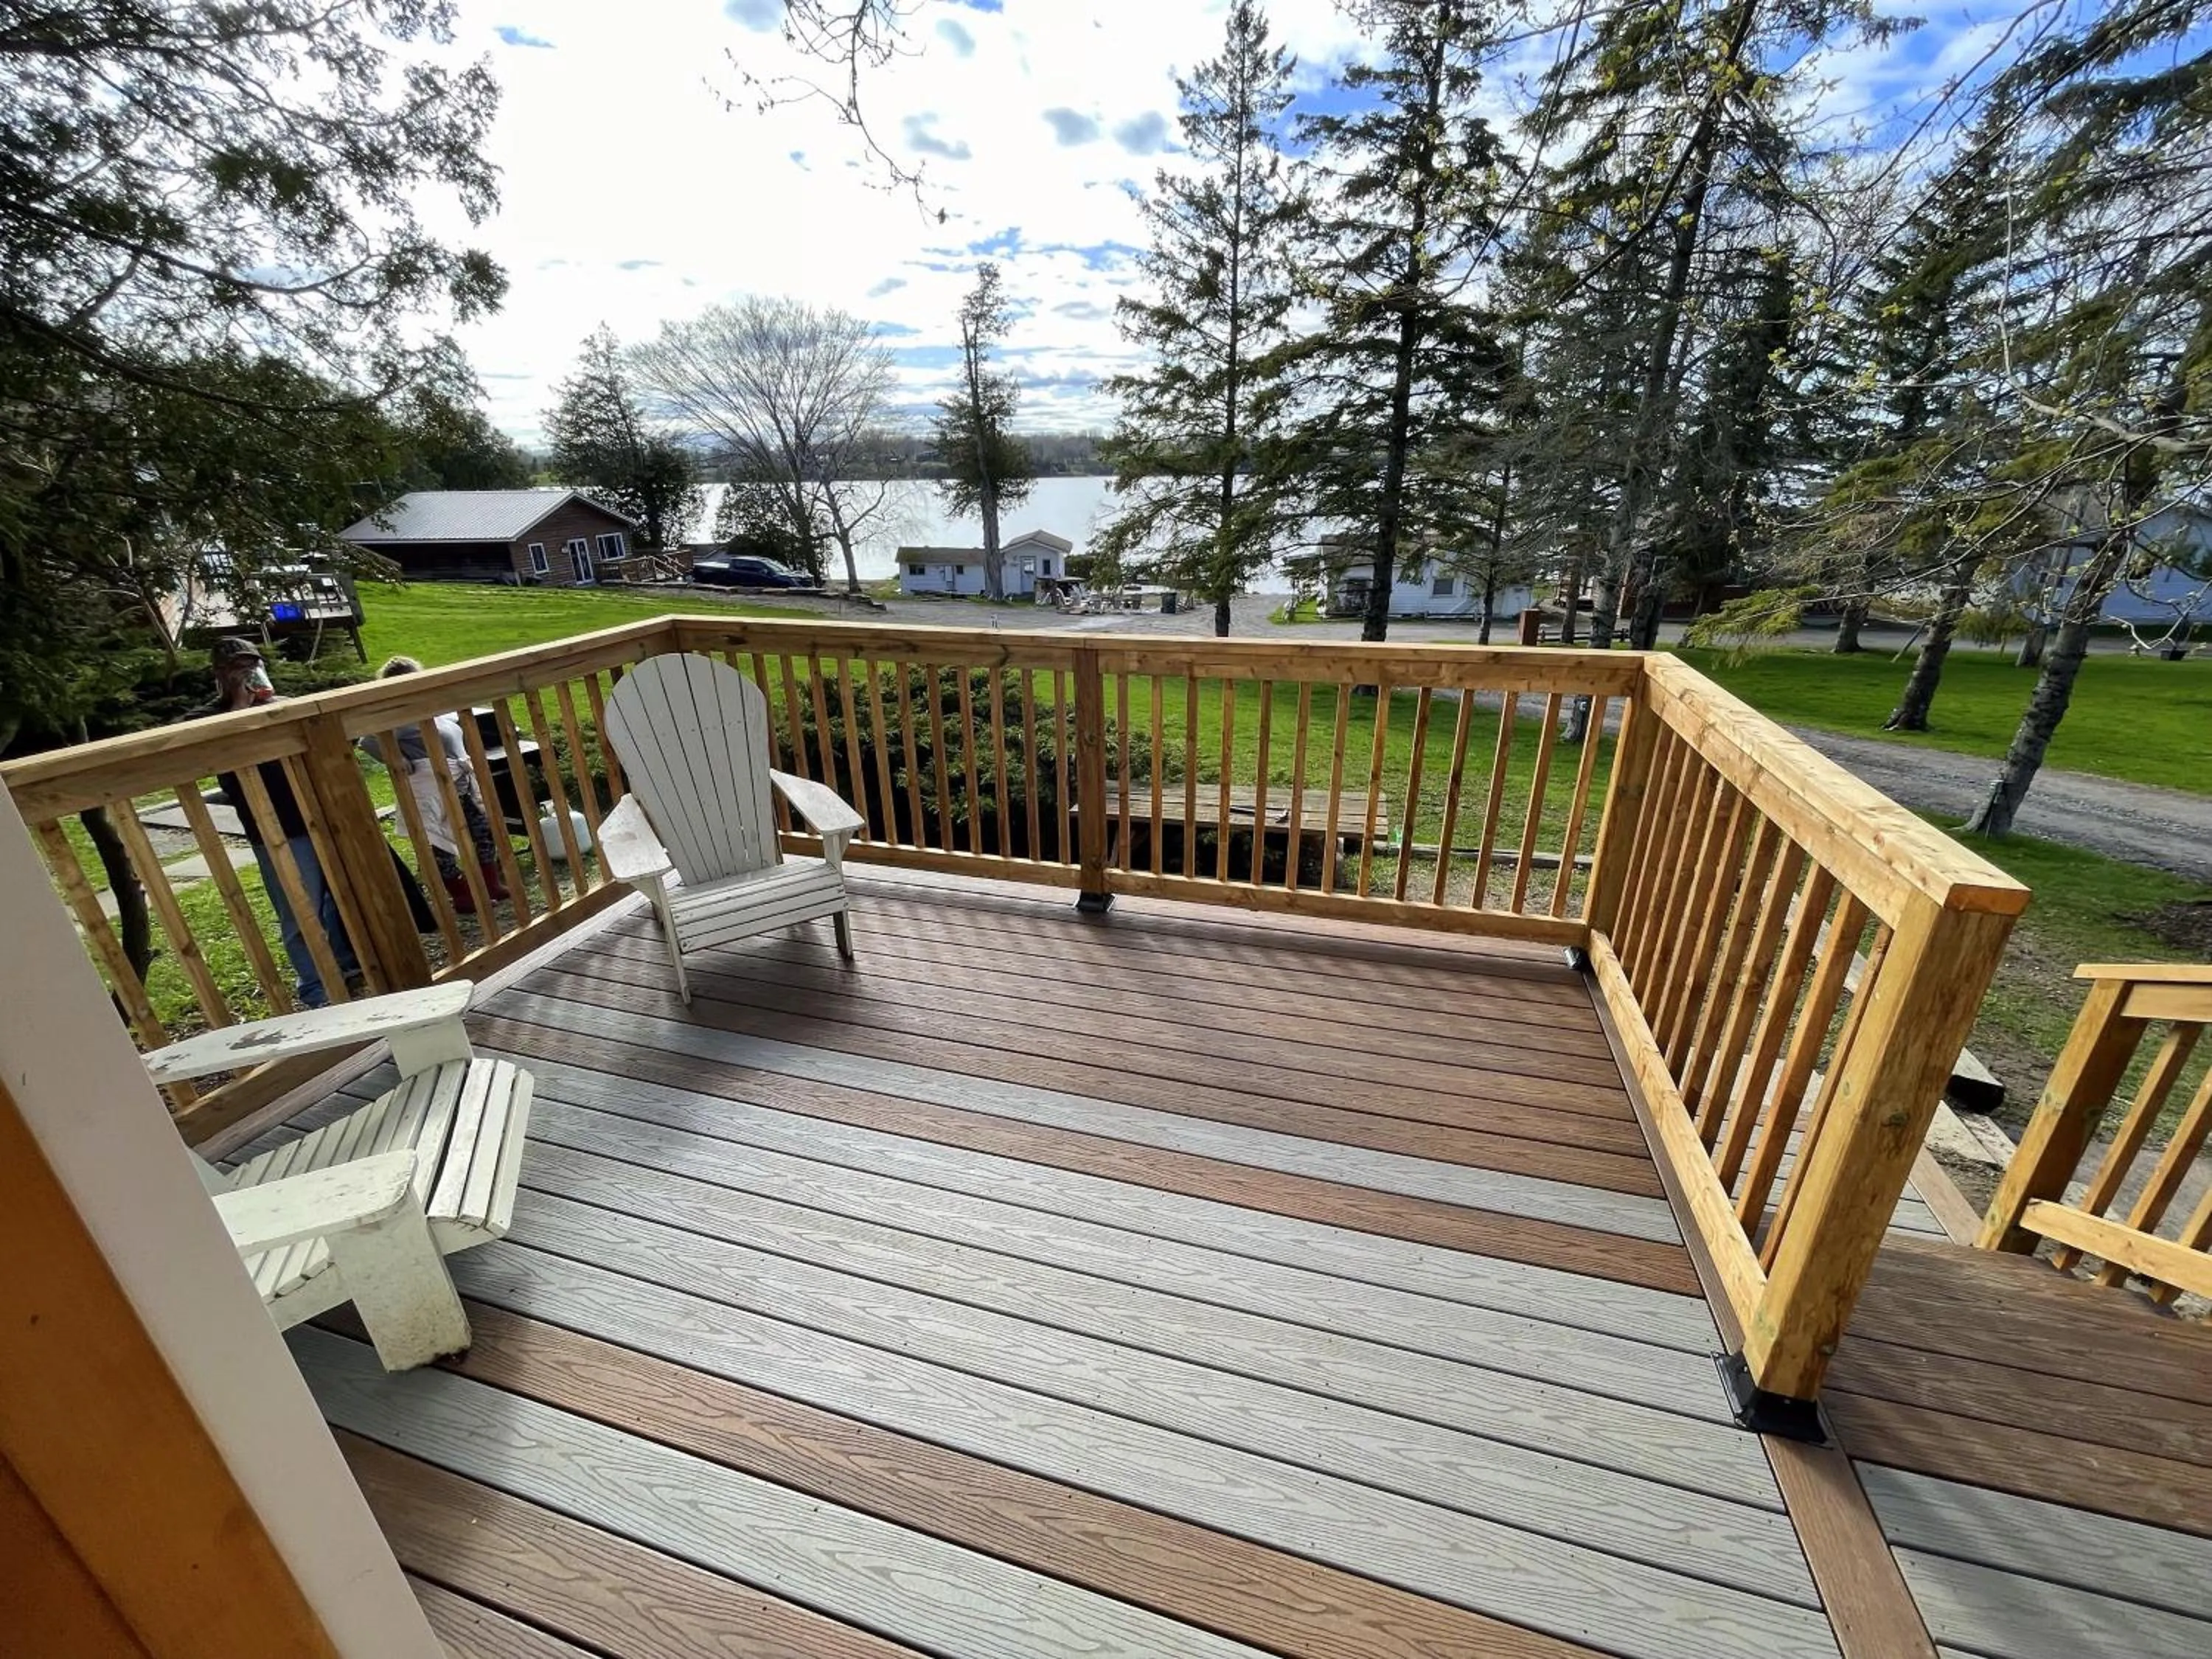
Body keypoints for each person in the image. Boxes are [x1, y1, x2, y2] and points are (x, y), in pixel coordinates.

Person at [198, 636, 362, 1007]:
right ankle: (315, 986)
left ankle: (345, 966)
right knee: (297, 908)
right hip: (275, 831)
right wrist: (240, 705)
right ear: (220, 675)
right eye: (237, 669)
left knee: (335, 898)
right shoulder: (208, 718)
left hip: (317, 817)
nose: (247, 674)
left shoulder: (283, 707)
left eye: (251, 665)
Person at [356, 656, 509, 914]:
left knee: (483, 831)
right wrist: (396, 758)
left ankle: (490, 884)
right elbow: (368, 741)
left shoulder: (431, 707)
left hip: (458, 781)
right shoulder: (398, 716)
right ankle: (461, 895)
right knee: (440, 839)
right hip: (430, 785)